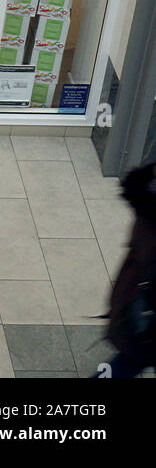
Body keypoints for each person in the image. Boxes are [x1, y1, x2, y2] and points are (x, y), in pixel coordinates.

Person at [95, 161, 156, 377]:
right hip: (144, 320)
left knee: (125, 364)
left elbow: (133, 186)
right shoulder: (149, 213)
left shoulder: (148, 210)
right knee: (127, 362)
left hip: (137, 313)